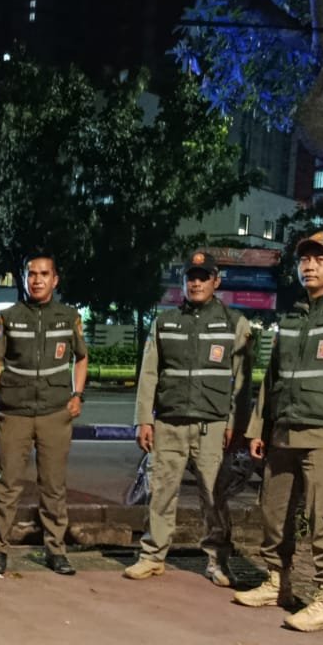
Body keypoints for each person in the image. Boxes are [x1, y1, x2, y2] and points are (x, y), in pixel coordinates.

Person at [233, 231, 323, 631]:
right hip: (283, 433)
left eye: (320, 259)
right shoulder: (292, 316)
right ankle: (277, 583)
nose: (309, 266)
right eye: (304, 259)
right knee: (273, 511)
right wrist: (259, 427)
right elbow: (272, 377)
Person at [123, 250, 255, 585]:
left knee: (214, 495)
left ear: (216, 281)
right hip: (169, 422)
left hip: (213, 425)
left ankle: (217, 561)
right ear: (182, 282)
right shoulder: (165, 322)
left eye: (203, 277)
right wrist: (143, 419)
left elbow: (243, 381)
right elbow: (149, 374)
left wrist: (236, 425)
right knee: (161, 492)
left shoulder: (234, 323)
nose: (196, 283)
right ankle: (152, 556)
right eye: (190, 278)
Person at [0, 250, 88, 576]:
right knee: (7, 484)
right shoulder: (8, 317)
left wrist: (77, 394)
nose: (37, 280)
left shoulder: (68, 317)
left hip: (55, 413)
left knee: (53, 485)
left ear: (55, 280)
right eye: (32, 274)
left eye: (43, 274)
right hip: (15, 412)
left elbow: (81, 357)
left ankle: (55, 550)